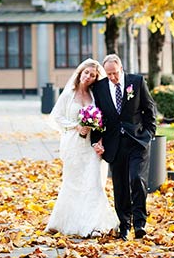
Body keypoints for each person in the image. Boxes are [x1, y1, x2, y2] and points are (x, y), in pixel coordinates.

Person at [45, 58, 119, 238]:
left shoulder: (96, 95)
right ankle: (67, 222)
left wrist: (99, 135)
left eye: (93, 75)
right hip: (74, 144)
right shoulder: (68, 94)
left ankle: (94, 224)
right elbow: (56, 117)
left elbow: (105, 118)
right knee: (73, 182)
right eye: (87, 73)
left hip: (91, 146)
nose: (89, 77)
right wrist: (76, 126)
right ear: (80, 73)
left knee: (93, 182)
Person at [91, 54, 157, 241]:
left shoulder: (136, 82)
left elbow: (149, 108)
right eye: (109, 74)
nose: (112, 77)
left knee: (137, 180)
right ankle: (124, 225)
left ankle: (140, 224)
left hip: (137, 141)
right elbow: (98, 117)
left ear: (121, 68)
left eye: (115, 73)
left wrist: (149, 133)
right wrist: (97, 141)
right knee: (120, 187)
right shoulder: (100, 88)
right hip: (115, 144)